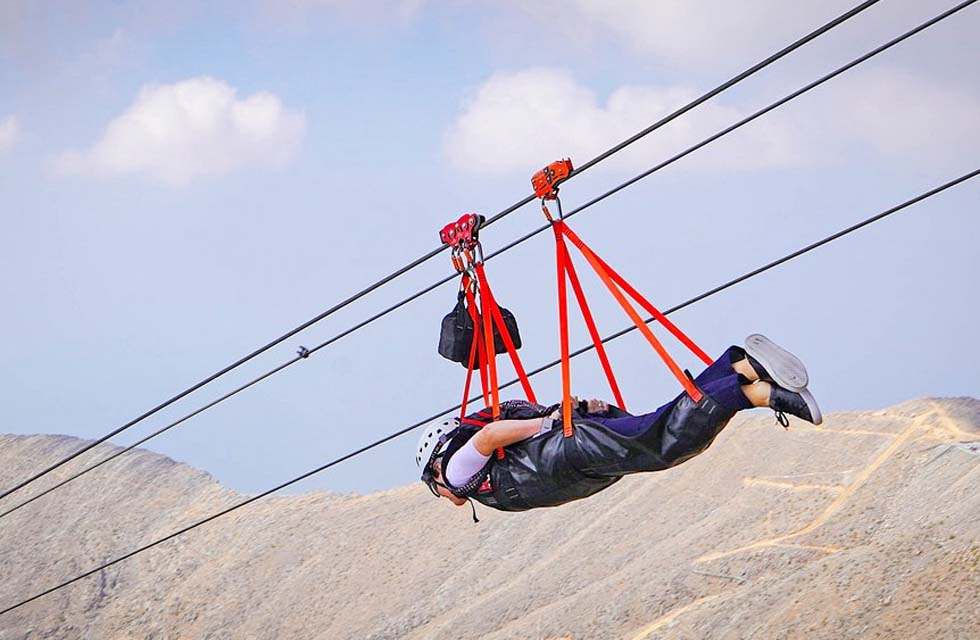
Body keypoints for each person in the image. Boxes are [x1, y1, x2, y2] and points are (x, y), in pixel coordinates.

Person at [416, 334, 822, 515]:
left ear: (436, 468)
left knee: (663, 444)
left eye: (435, 490)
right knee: (659, 425)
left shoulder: (455, 471)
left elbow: (489, 436)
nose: (443, 496)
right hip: (575, 452)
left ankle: (759, 393)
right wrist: (561, 417)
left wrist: (549, 423)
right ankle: (740, 366)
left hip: (571, 452)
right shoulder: (480, 480)